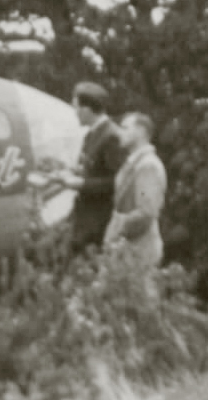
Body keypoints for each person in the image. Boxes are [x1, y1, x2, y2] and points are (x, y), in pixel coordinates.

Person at [64, 79, 126, 264]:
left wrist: (81, 184)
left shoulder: (111, 136)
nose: (74, 113)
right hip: (85, 222)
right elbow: (92, 169)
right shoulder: (92, 134)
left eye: (75, 107)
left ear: (86, 109)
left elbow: (116, 181)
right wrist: (68, 173)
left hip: (98, 224)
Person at [105, 112, 167, 276]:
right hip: (126, 252)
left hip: (138, 252)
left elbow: (146, 213)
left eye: (125, 128)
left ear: (140, 131)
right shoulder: (135, 163)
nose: (119, 132)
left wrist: (116, 230)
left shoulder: (148, 166)